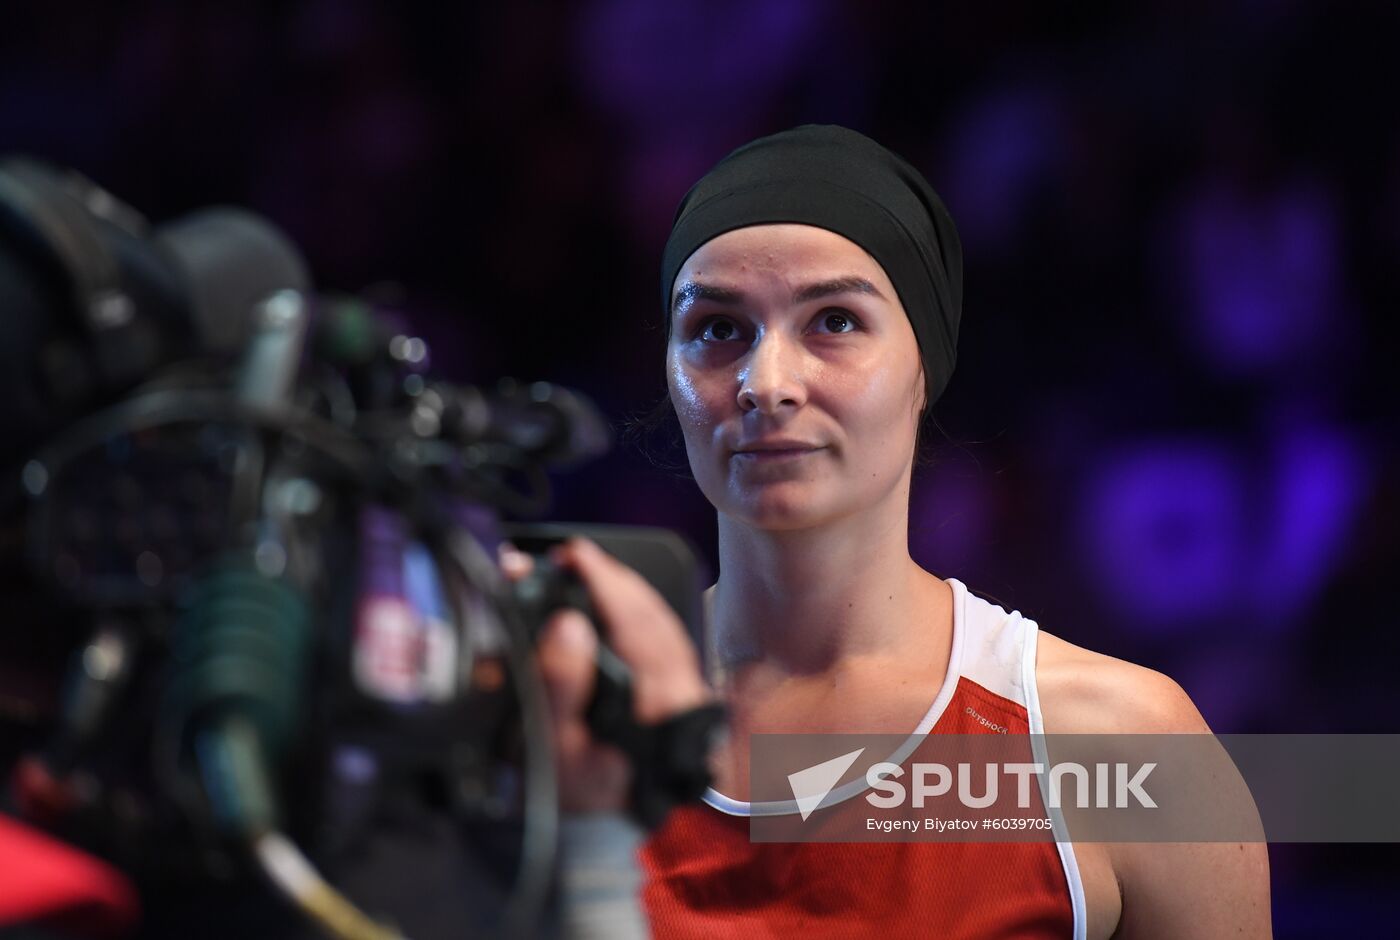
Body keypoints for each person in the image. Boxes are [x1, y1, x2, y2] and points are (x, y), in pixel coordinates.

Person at [508, 125, 1272, 939]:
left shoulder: (1116, 743)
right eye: (719, 329)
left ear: (923, 368)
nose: (767, 383)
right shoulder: (553, 726)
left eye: (834, 321)